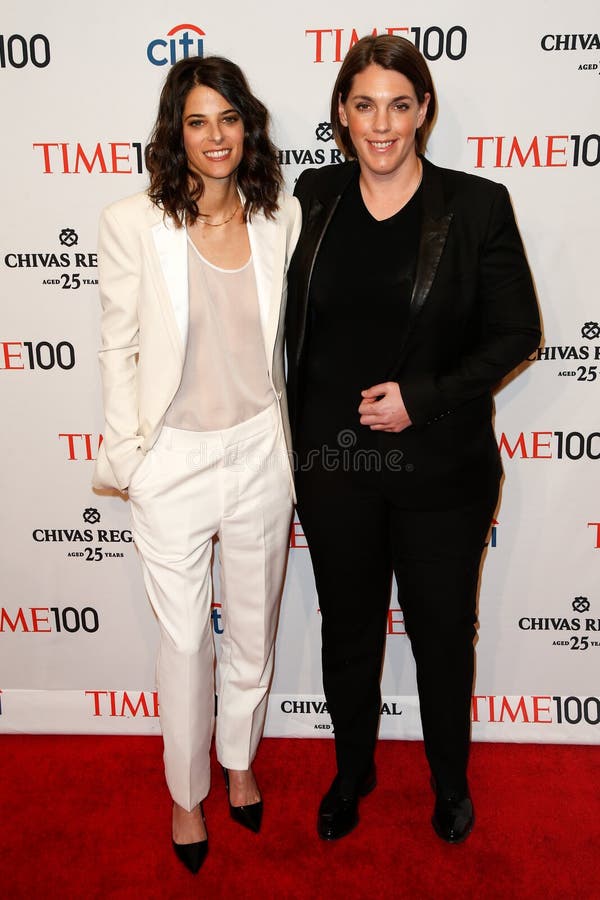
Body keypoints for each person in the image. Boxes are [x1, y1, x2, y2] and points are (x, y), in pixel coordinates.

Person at [286, 35, 540, 844]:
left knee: (439, 632)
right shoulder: (312, 196)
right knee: (349, 627)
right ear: (341, 114)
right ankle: (351, 771)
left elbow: (517, 333)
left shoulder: (477, 205)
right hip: (337, 467)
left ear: (424, 111)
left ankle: (449, 780)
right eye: (364, 104)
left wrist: (420, 400)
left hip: (441, 467)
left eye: (400, 103)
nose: (381, 123)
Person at [93, 55, 301, 873]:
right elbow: (118, 348)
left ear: (248, 126)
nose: (215, 136)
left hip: (259, 451)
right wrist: (133, 462)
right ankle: (187, 795)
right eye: (196, 121)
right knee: (185, 643)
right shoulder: (130, 222)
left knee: (252, 624)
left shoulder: (278, 217)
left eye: (228, 118)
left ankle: (240, 759)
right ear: (174, 134)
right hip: (171, 462)